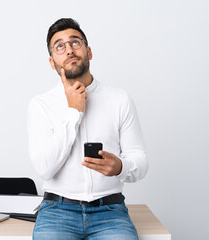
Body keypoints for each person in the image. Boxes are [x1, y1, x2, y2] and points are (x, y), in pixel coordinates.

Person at [27, 18, 148, 240]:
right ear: (52, 62)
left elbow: (140, 161)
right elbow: (44, 169)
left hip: (110, 212)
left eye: (75, 42)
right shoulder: (41, 105)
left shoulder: (120, 100)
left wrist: (121, 166)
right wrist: (74, 111)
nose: (69, 50)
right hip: (57, 211)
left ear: (89, 52)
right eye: (60, 46)